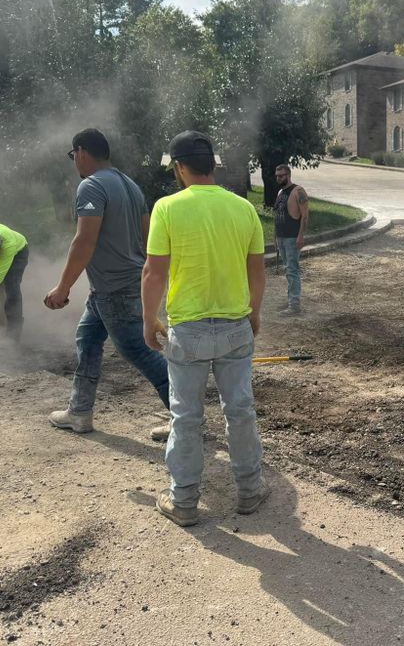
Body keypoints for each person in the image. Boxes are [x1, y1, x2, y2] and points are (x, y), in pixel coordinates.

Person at [142, 130, 268, 526]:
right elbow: (257, 271)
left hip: (189, 332)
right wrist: (255, 312)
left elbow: (154, 272)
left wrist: (149, 319)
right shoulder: (243, 209)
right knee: (240, 410)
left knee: (186, 417)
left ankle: (184, 501)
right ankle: (249, 490)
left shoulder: (166, 208)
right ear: (213, 165)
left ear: (179, 168)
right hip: (235, 327)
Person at [45, 128, 171, 439]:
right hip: (113, 286)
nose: (75, 162)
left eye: (74, 156)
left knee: (139, 351)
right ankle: (79, 411)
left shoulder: (91, 186)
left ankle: (187, 417)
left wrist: (63, 288)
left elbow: (84, 241)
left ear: (81, 151)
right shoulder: (130, 185)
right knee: (87, 339)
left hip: (115, 288)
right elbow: (148, 237)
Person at [273, 164, 309, 316]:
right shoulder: (280, 192)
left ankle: (294, 305)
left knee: (292, 270)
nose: (278, 178)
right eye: (277, 176)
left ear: (288, 175)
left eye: (281, 175)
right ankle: (291, 301)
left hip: (292, 238)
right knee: (288, 270)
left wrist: (301, 236)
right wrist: (275, 236)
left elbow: (305, 216)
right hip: (281, 237)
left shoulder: (298, 191)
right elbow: (277, 215)